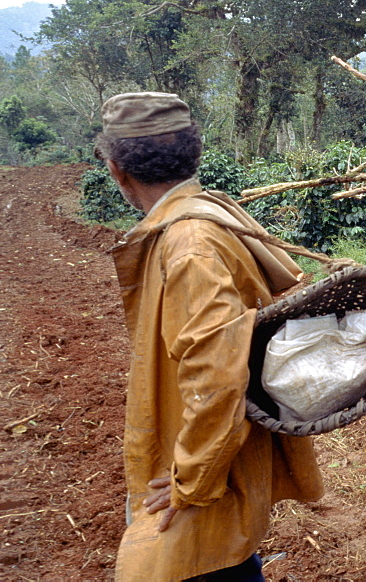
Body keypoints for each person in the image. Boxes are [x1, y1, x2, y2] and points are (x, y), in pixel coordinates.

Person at [96, 92, 324, 581]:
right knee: (223, 558)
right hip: (215, 454)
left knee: (187, 560)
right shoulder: (208, 216)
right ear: (193, 155)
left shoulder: (189, 245)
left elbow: (218, 379)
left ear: (117, 170)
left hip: (200, 465)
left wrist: (189, 480)